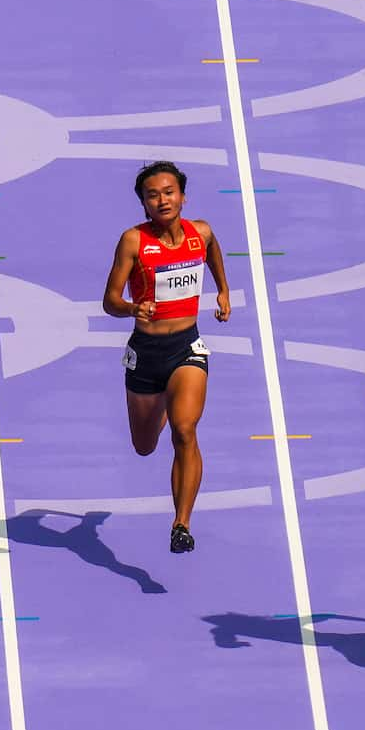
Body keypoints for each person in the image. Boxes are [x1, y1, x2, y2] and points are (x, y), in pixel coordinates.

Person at [101, 161, 231, 553]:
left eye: (169, 192)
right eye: (153, 195)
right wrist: (131, 309)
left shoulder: (201, 233)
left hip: (186, 348)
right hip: (146, 352)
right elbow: (109, 301)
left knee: (185, 430)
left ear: (183, 196)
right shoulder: (133, 241)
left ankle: (181, 523)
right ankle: (160, 407)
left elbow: (213, 255)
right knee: (144, 445)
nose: (162, 200)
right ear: (144, 203)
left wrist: (223, 291)